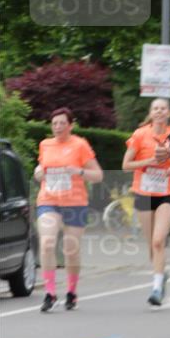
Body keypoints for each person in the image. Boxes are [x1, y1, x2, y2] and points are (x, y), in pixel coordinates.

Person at [34, 107, 103, 312]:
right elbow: (40, 169)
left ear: (70, 125)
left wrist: (79, 171)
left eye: (62, 123)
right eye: (54, 123)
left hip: (75, 202)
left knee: (70, 250)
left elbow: (98, 175)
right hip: (49, 199)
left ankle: (71, 292)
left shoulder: (80, 145)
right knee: (47, 244)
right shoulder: (45, 145)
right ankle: (50, 293)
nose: (57, 127)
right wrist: (38, 172)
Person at [122, 98, 170, 306]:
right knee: (151, 247)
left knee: (158, 241)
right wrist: (148, 162)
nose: (159, 111)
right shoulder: (140, 135)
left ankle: (156, 287)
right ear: (151, 112)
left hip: (166, 193)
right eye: (155, 108)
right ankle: (161, 275)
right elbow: (126, 165)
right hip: (144, 194)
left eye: (163, 108)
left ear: (168, 113)